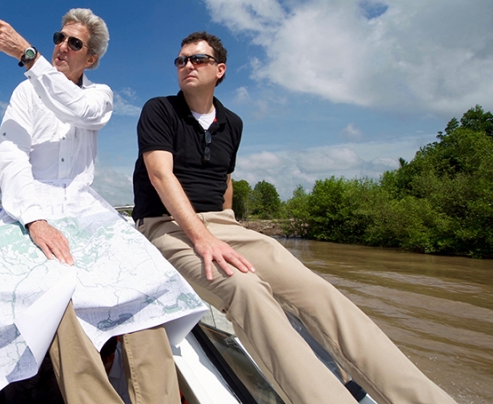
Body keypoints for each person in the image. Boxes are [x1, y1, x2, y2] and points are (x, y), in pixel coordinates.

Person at [0, 10, 205, 404]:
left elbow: (79, 110)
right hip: (30, 206)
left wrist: (28, 55)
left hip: (87, 209)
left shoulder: (98, 95)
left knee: (142, 290)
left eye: (75, 43)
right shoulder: (25, 94)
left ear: (91, 59)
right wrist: (35, 220)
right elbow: (12, 157)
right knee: (50, 296)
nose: (61, 46)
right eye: (59, 37)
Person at [132, 31, 457, 404]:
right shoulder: (159, 109)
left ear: (219, 70)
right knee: (247, 290)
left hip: (223, 224)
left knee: (318, 292)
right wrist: (203, 238)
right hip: (168, 224)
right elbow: (160, 175)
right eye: (181, 60)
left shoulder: (232, 123)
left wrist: (229, 224)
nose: (187, 65)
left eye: (198, 59)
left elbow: (225, 181)